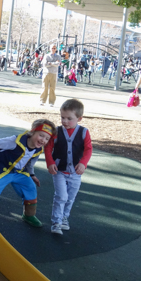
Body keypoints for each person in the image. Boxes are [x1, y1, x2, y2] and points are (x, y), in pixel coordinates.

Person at [0, 119, 56, 227]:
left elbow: (30, 164)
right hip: (3, 170)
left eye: (47, 138)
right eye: (41, 135)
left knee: (30, 188)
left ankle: (29, 215)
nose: (43, 140)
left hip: (19, 172)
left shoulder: (38, 149)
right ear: (32, 132)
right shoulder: (15, 141)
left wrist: (32, 175)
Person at [44, 98, 92, 235]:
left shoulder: (83, 132)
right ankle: (56, 222)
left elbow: (88, 149)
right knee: (61, 196)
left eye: (69, 118)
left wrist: (83, 163)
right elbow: (48, 148)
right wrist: (50, 163)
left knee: (70, 197)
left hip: (75, 173)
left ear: (79, 118)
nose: (65, 121)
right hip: (59, 170)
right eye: (62, 117)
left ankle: (64, 217)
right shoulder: (57, 131)